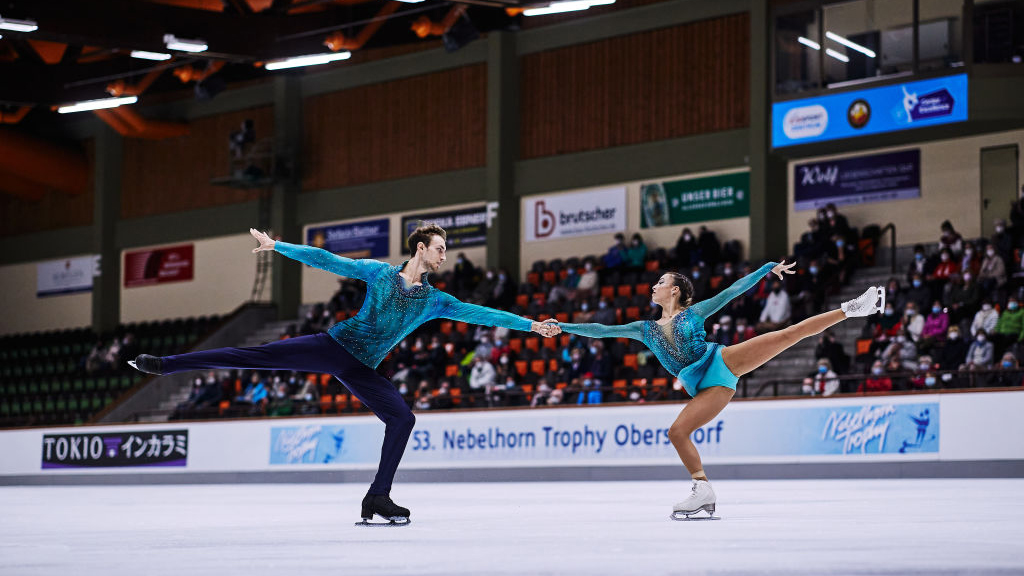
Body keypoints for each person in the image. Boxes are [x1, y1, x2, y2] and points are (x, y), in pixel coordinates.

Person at [128, 224, 560, 525]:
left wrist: (531, 324)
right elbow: (327, 260)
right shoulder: (380, 274)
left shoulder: (437, 300)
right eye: (439, 247)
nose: (444, 254)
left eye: (445, 249)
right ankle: (166, 365)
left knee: (403, 419)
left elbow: (484, 314)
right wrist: (278, 247)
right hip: (333, 348)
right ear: (420, 249)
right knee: (255, 355)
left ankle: (377, 496)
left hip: (363, 368)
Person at [554, 260, 883, 519]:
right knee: (677, 432)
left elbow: (732, 291)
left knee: (786, 336)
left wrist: (767, 269)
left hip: (721, 364)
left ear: (676, 291)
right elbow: (600, 329)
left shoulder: (694, 313)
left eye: (661, 282)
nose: (655, 286)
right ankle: (703, 488)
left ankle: (854, 308)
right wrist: (562, 326)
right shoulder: (645, 329)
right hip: (701, 386)